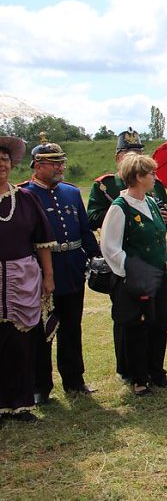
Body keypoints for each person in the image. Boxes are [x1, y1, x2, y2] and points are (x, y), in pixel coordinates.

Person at [87, 127, 167, 383]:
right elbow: (107, 241)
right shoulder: (112, 195)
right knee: (132, 325)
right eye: (128, 153)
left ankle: (155, 371)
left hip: (156, 270)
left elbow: (162, 230)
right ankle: (133, 373)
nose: (133, 156)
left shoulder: (151, 195)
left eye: (137, 152)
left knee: (158, 324)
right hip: (132, 274)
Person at [20, 136, 100, 404]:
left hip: (72, 269)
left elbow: (85, 230)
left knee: (72, 328)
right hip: (42, 273)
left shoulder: (72, 192)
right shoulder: (25, 195)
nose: (61, 168)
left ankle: (74, 381)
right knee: (41, 331)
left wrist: (96, 256)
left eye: (62, 163)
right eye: (55, 164)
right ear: (38, 165)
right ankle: (40, 386)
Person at [101, 153, 167, 396]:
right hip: (134, 280)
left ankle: (157, 373)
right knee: (137, 327)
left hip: (157, 276)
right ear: (137, 177)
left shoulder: (151, 203)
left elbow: (159, 240)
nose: (155, 177)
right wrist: (133, 272)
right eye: (151, 173)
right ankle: (139, 379)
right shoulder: (119, 208)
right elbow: (110, 247)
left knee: (158, 326)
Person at [0, 136, 55, 423]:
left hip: (22, 279)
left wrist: (48, 277)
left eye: (5, 160)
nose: (2, 165)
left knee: (20, 342)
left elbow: (42, 243)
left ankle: (20, 403)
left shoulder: (25, 199)